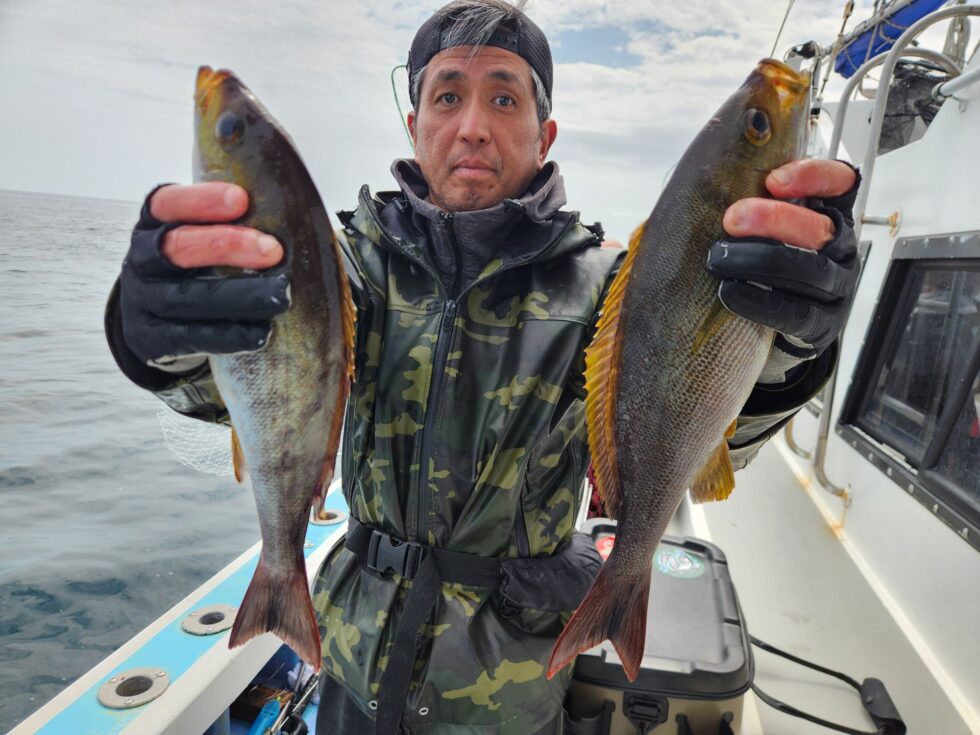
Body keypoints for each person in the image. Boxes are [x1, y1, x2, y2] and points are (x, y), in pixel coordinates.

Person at [104, 1, 861, 732]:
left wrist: (790, 346)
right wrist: (156, 333)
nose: (472, 126)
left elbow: (707, 419)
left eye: (504, 98)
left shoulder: (610, 289)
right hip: (350, 667)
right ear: (414, 124)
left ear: (544, 133)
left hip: (510, 698)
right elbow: (238, 393)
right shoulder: (342, 270)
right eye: (447, 96)